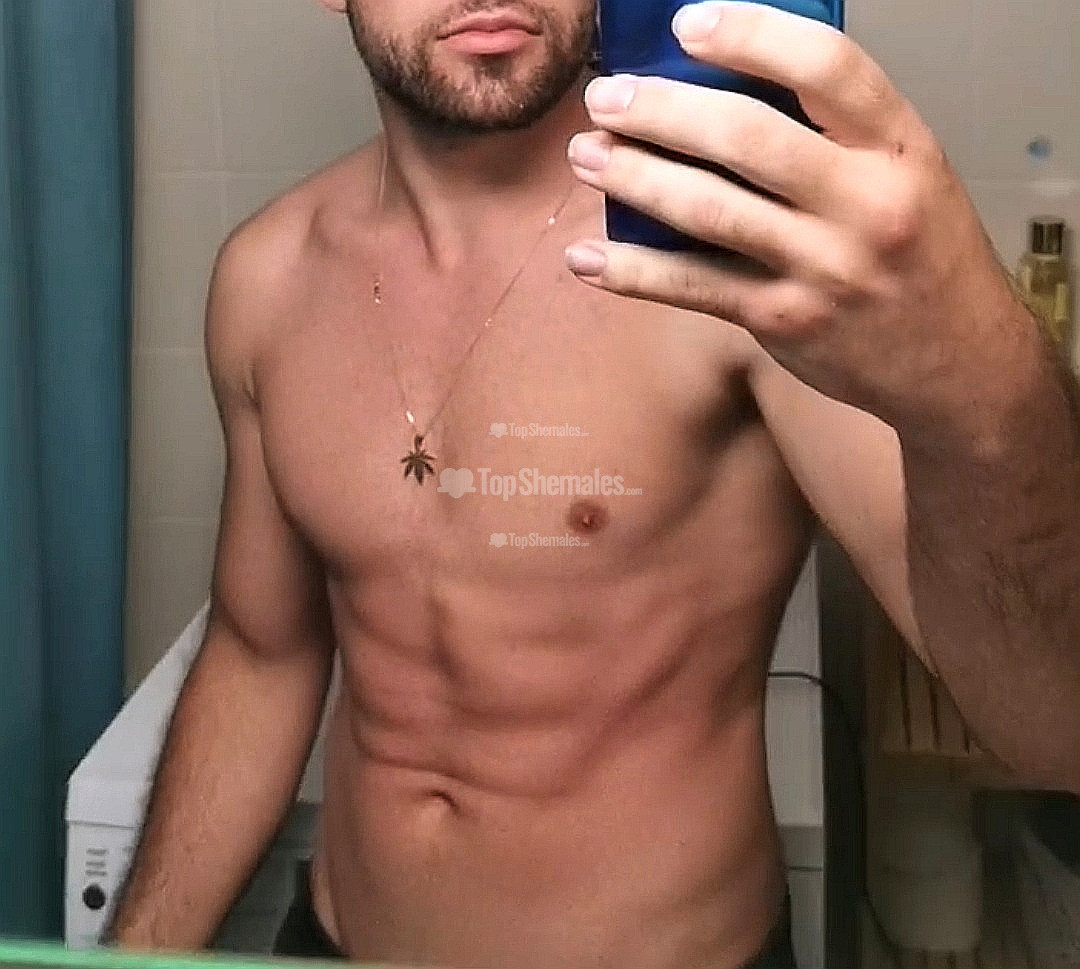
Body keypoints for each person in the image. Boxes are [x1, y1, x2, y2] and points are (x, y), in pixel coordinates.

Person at [108, 0, 1080, 966]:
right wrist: (132, 954)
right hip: (337, 940)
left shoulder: (736, 253)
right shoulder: (268, 280)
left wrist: (985, 368)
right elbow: (261, 657)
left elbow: (1056, 723)